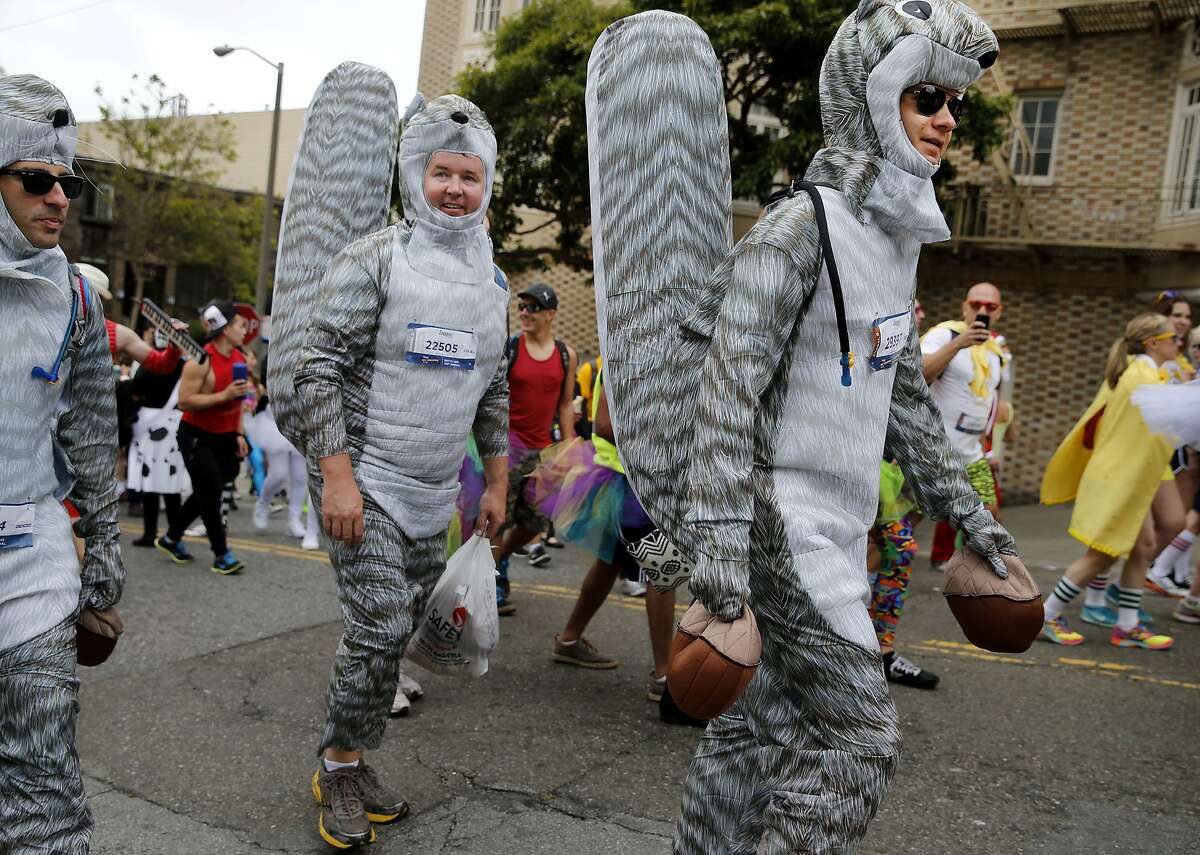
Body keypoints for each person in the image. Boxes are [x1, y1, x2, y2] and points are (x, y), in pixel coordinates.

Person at [587, 5, 1011, 852]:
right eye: (927, 95)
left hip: (842, 519)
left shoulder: (894, 238)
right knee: (858, 739)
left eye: (954, 103)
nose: (946, 119)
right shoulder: (795, 232)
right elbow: (725, 390)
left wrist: (966, 511)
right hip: (781, 520)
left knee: (760, 725)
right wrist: (713, 534)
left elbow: (900, 396)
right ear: (870, 91)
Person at [280, 93, 510, 850]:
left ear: (486, 185)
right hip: (365, 476)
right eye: (441, 172)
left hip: (432, 486)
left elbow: (493, 384)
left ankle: (353, 752)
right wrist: (337, 477)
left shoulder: (494, 284)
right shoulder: (375, 259)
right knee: (379, 622)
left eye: (468, 177)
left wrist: (498, 481)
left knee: (395, 630)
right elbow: (315, 369)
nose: (454, 189)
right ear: (415, 175)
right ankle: (339, 766)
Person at [0, 73, 125, 855]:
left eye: (68, 181)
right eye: (36, 179)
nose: (58, 198)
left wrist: (103, 560)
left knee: (45, 781)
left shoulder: (78, 298)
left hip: (32, 557)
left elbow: (88, 433)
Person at [536, 375, 702, 725]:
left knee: (609, 562)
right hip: (625, 482)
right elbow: (605, 424)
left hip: (633, 479)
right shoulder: (619, 360)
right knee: (663, 572)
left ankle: (568, 640)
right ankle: (663, 678)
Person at [1039, 313, 1180, 650]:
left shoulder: (1144, 372)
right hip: (1120, 479)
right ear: (1154, 343)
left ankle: (1127, 626)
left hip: (1126, 478)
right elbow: (1175, 419)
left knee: (1143, 547)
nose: (1179, 342)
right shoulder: (1143, 376)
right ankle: (1047, 614)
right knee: (1101, 554)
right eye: (1174, 337)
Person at [492, 281, 578, 614]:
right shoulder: (510, 348)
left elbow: (566, 404)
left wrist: (569, 448)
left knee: (535, 524)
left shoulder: (565, 355)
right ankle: (494, 582)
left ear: (551, 314)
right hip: (507, 450)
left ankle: (499, 561)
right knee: (498, 521)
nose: (525, 313)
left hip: (543, 453)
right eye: (522, 307)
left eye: (533, 308)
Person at [155, 299, 250, 575]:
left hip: (225, 434)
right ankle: (222, 554)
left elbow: (239, 402)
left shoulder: (239, 358)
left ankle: (171, 538)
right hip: (196, 435)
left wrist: (239, 434)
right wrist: (223, 395)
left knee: (208, 489)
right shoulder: (201, 360)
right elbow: (184, 401)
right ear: (224, 328)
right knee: (212, 492)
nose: (244, 329)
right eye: (239, 324)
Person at [921, 283, 1009, 569]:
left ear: (999, 312)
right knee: (912, 513)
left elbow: (990, 401)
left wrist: (990, 448)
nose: (982, 311)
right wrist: (960, 343)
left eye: (990, 307)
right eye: (976, 304)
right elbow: (919, 372)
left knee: (990, 511)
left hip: (973, 452)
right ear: (964, 306)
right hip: (937, 448)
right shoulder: (945, 334)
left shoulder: (996, 352)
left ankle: (968, 572)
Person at [869, 460, 938, 689]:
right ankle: (869, 648)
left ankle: (878, 650)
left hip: (903, 461)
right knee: (898, 546)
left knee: (892, 547)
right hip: (862, 454)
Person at [126, 331, 190, 546]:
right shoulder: (184, 366)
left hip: (148, 425)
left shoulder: (149, 364)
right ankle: (174, 534)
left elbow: (135, 390)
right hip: (174, 425)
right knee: (171, 481)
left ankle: (149, 532)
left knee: (149, 481)